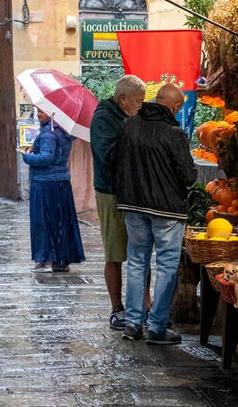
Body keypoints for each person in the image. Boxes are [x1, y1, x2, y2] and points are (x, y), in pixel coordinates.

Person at [113, 83, 196, 344]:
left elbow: (116, 159)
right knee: (167, 266)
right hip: (167, 210)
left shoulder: (129, 125)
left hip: (133, 205)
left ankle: (133, 324)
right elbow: (188, 175)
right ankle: (157, 327)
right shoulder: (174, 133)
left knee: (137, 262)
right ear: (176, 107)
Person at [89, 74, 146, 329]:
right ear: (122, 98)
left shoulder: (132, 116)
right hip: (112, 192)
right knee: (115, 252)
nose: (141, 106)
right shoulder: (103, 118)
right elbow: (108, 155)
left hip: (135, 192)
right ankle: (117, 308)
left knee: (142, 250)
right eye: (137, 101)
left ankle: (145, 305)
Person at [23, 110, 85, 272]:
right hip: (61, 183)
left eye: (42, 112)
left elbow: (45, 158)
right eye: (37, 111)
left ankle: (45, 259)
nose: (38, 114)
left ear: (53, 114)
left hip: (44, 182)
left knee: (42, 221)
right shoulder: (64, 133)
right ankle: (60, 259)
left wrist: (26, 156)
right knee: (60, 221)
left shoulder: (48, 135)